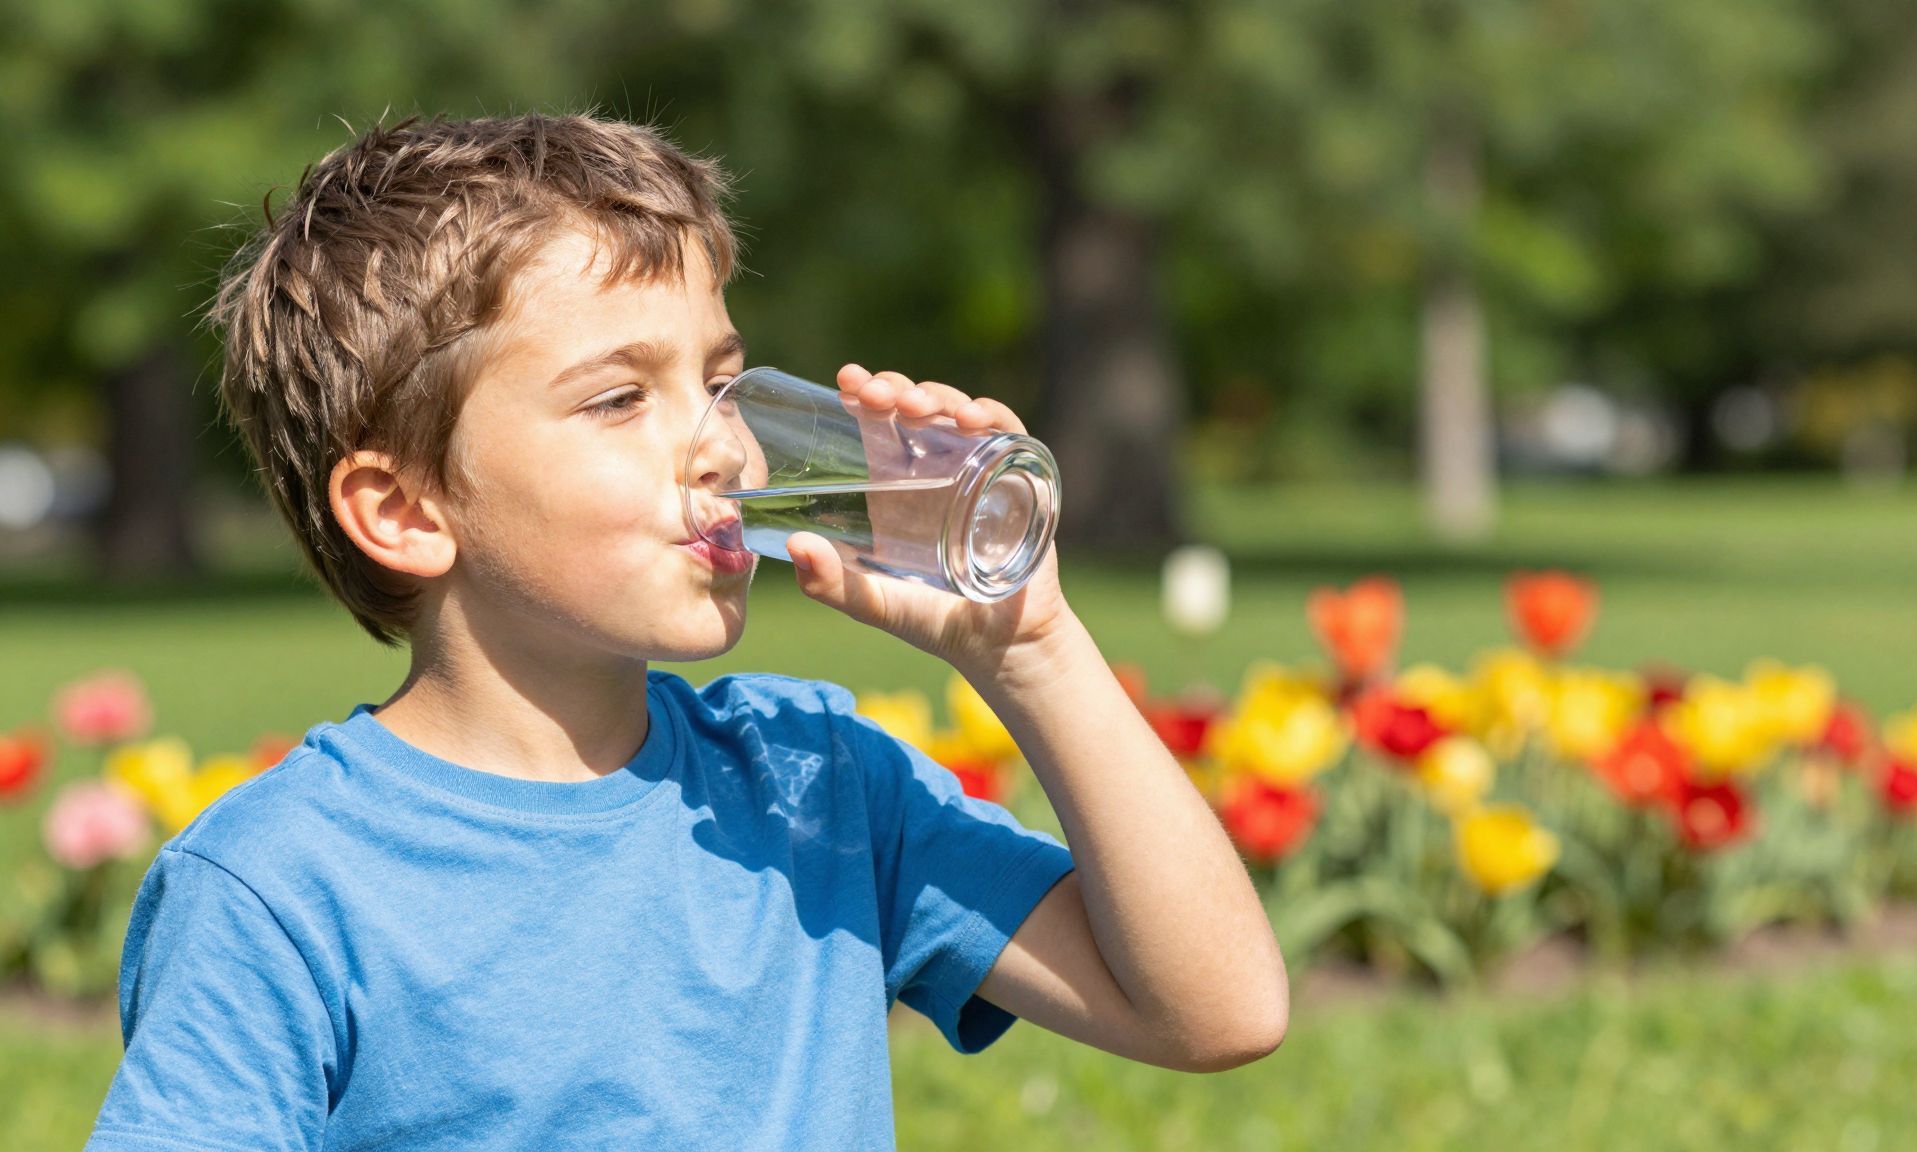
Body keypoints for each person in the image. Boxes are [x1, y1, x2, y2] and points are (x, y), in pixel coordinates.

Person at [85, 113, 1287, 1151]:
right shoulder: (280, 883)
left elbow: (1216, 1010)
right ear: (404, 510)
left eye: (720, 381)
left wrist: (1032, 651)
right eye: (619, 399)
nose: (721, 445)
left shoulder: (817, 786)